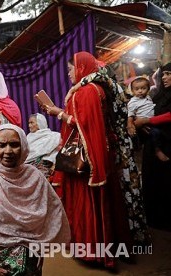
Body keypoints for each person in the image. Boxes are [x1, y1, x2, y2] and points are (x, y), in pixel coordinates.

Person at [44, 51, 133, 268]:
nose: (68, 74)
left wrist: (58, 112)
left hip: (85, 161)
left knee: (87, 202)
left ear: (81, 67)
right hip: (101, 153)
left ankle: (93, 251)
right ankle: (110, 249)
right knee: (106, 201)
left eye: (70, 69)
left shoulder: (85, 92)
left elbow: (83, 125)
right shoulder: (99, 89)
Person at [0, 124, 70, 275]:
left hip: (32, 256)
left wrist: (39, 247)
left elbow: (52, 215)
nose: (8, 151)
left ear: (24, 147)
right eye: (2, 145)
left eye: (14, 144)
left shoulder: (35, 177)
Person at [65, 64, 150, 246]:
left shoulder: (108, 86)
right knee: (124, 191)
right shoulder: (107, 89)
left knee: (127, 189)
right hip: (118, 145)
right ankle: (131, 235)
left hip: (121, 147)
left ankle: (134, 236)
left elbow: (97, 77)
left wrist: (75, 88)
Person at [134, 62, 171, 231]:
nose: (164, 77)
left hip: (168, 146)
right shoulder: (156, 96)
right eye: (163, 74)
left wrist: (148, 121)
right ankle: (153, 218)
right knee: (152, 181)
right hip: (152, 144)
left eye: (169, 74)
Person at [127, 76, 167, 161]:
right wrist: (130, 124)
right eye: (137, 89)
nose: (140, 91)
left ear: (148, 89)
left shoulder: (148, 97)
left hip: (152, 122)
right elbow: (130, 114)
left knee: (158, 134)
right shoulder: (133, 102)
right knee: (155, 133)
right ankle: (157, 150)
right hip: (142, 123)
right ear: (132, 91)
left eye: (143, 88)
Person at [25, 113, 60, 181]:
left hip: (45, 167)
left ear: (40, 123)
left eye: (32, 123)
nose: (29, 125)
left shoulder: (54, 136)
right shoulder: (28, 137)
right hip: (28, 167)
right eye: (29, 123)